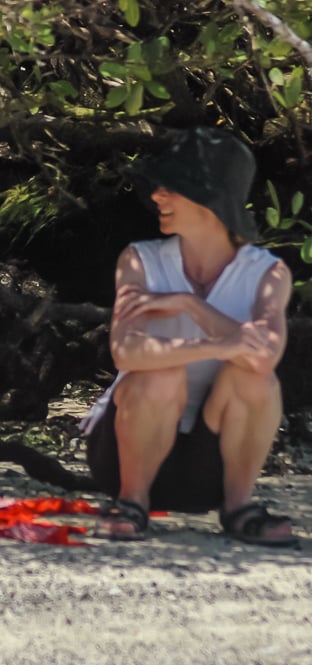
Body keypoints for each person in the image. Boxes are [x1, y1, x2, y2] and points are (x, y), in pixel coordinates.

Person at [81, 126, 297, 546]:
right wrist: (220, 345)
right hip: (120, 455)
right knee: (160, 372)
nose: (157, 196)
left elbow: (265, 357)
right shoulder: (139, 260)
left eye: (171, 188)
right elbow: (125, 352)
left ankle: (238, 506)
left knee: (256, 380)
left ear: (210, 199)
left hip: (208, 469)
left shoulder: (268, 273)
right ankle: (132, 501)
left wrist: (190, 304)